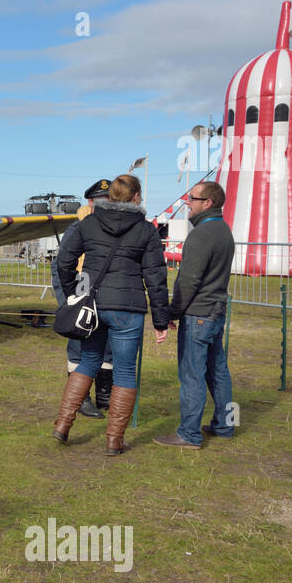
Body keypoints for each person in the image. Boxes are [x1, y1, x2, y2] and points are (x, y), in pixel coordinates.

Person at [54, 174, 170, 455]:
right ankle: (113, 440)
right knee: (125, 371)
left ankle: (62, 426)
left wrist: (74, 294)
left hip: (92, 305)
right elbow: (156, 277)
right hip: (127, 308)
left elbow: (64, 260)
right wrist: (161, 320)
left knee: (88, 362)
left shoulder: (90, 223)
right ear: (136, 196)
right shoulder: (146, 230)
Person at [154, 181, 235, 449]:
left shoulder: (201, 234)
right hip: (215, 311)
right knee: (218, 370)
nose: (187, 202)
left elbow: (188, 280)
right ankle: (225, 425)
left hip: (199, 314)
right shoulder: (223, 230)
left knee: (192, 374)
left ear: (208, 202)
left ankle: (189, 434)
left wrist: (172, 312)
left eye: (192, 198)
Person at [52, 179, 115, 418]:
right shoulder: (79, 226)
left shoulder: (112, 225)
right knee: (79, 339)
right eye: (101, 199)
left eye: (110, 199)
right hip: (80, 285)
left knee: (106, 341)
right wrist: (69, 298)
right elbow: (62, 265)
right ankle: (81, 397)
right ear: (91, 201)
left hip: (103, 288)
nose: (105, 203)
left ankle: (104, 393)